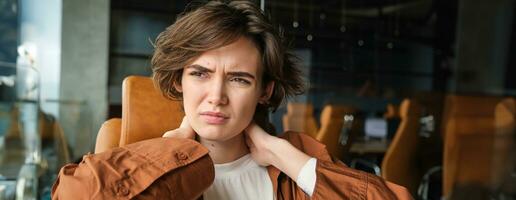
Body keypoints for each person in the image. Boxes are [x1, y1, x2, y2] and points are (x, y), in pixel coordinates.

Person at [51, 1, 412, 199]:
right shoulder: (144, 161)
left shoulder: (293, 165)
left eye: (239, 79)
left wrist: (279, 153)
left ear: (265, 91)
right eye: (200, 74)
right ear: (179, 82)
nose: (217, 96)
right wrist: (173, 149)